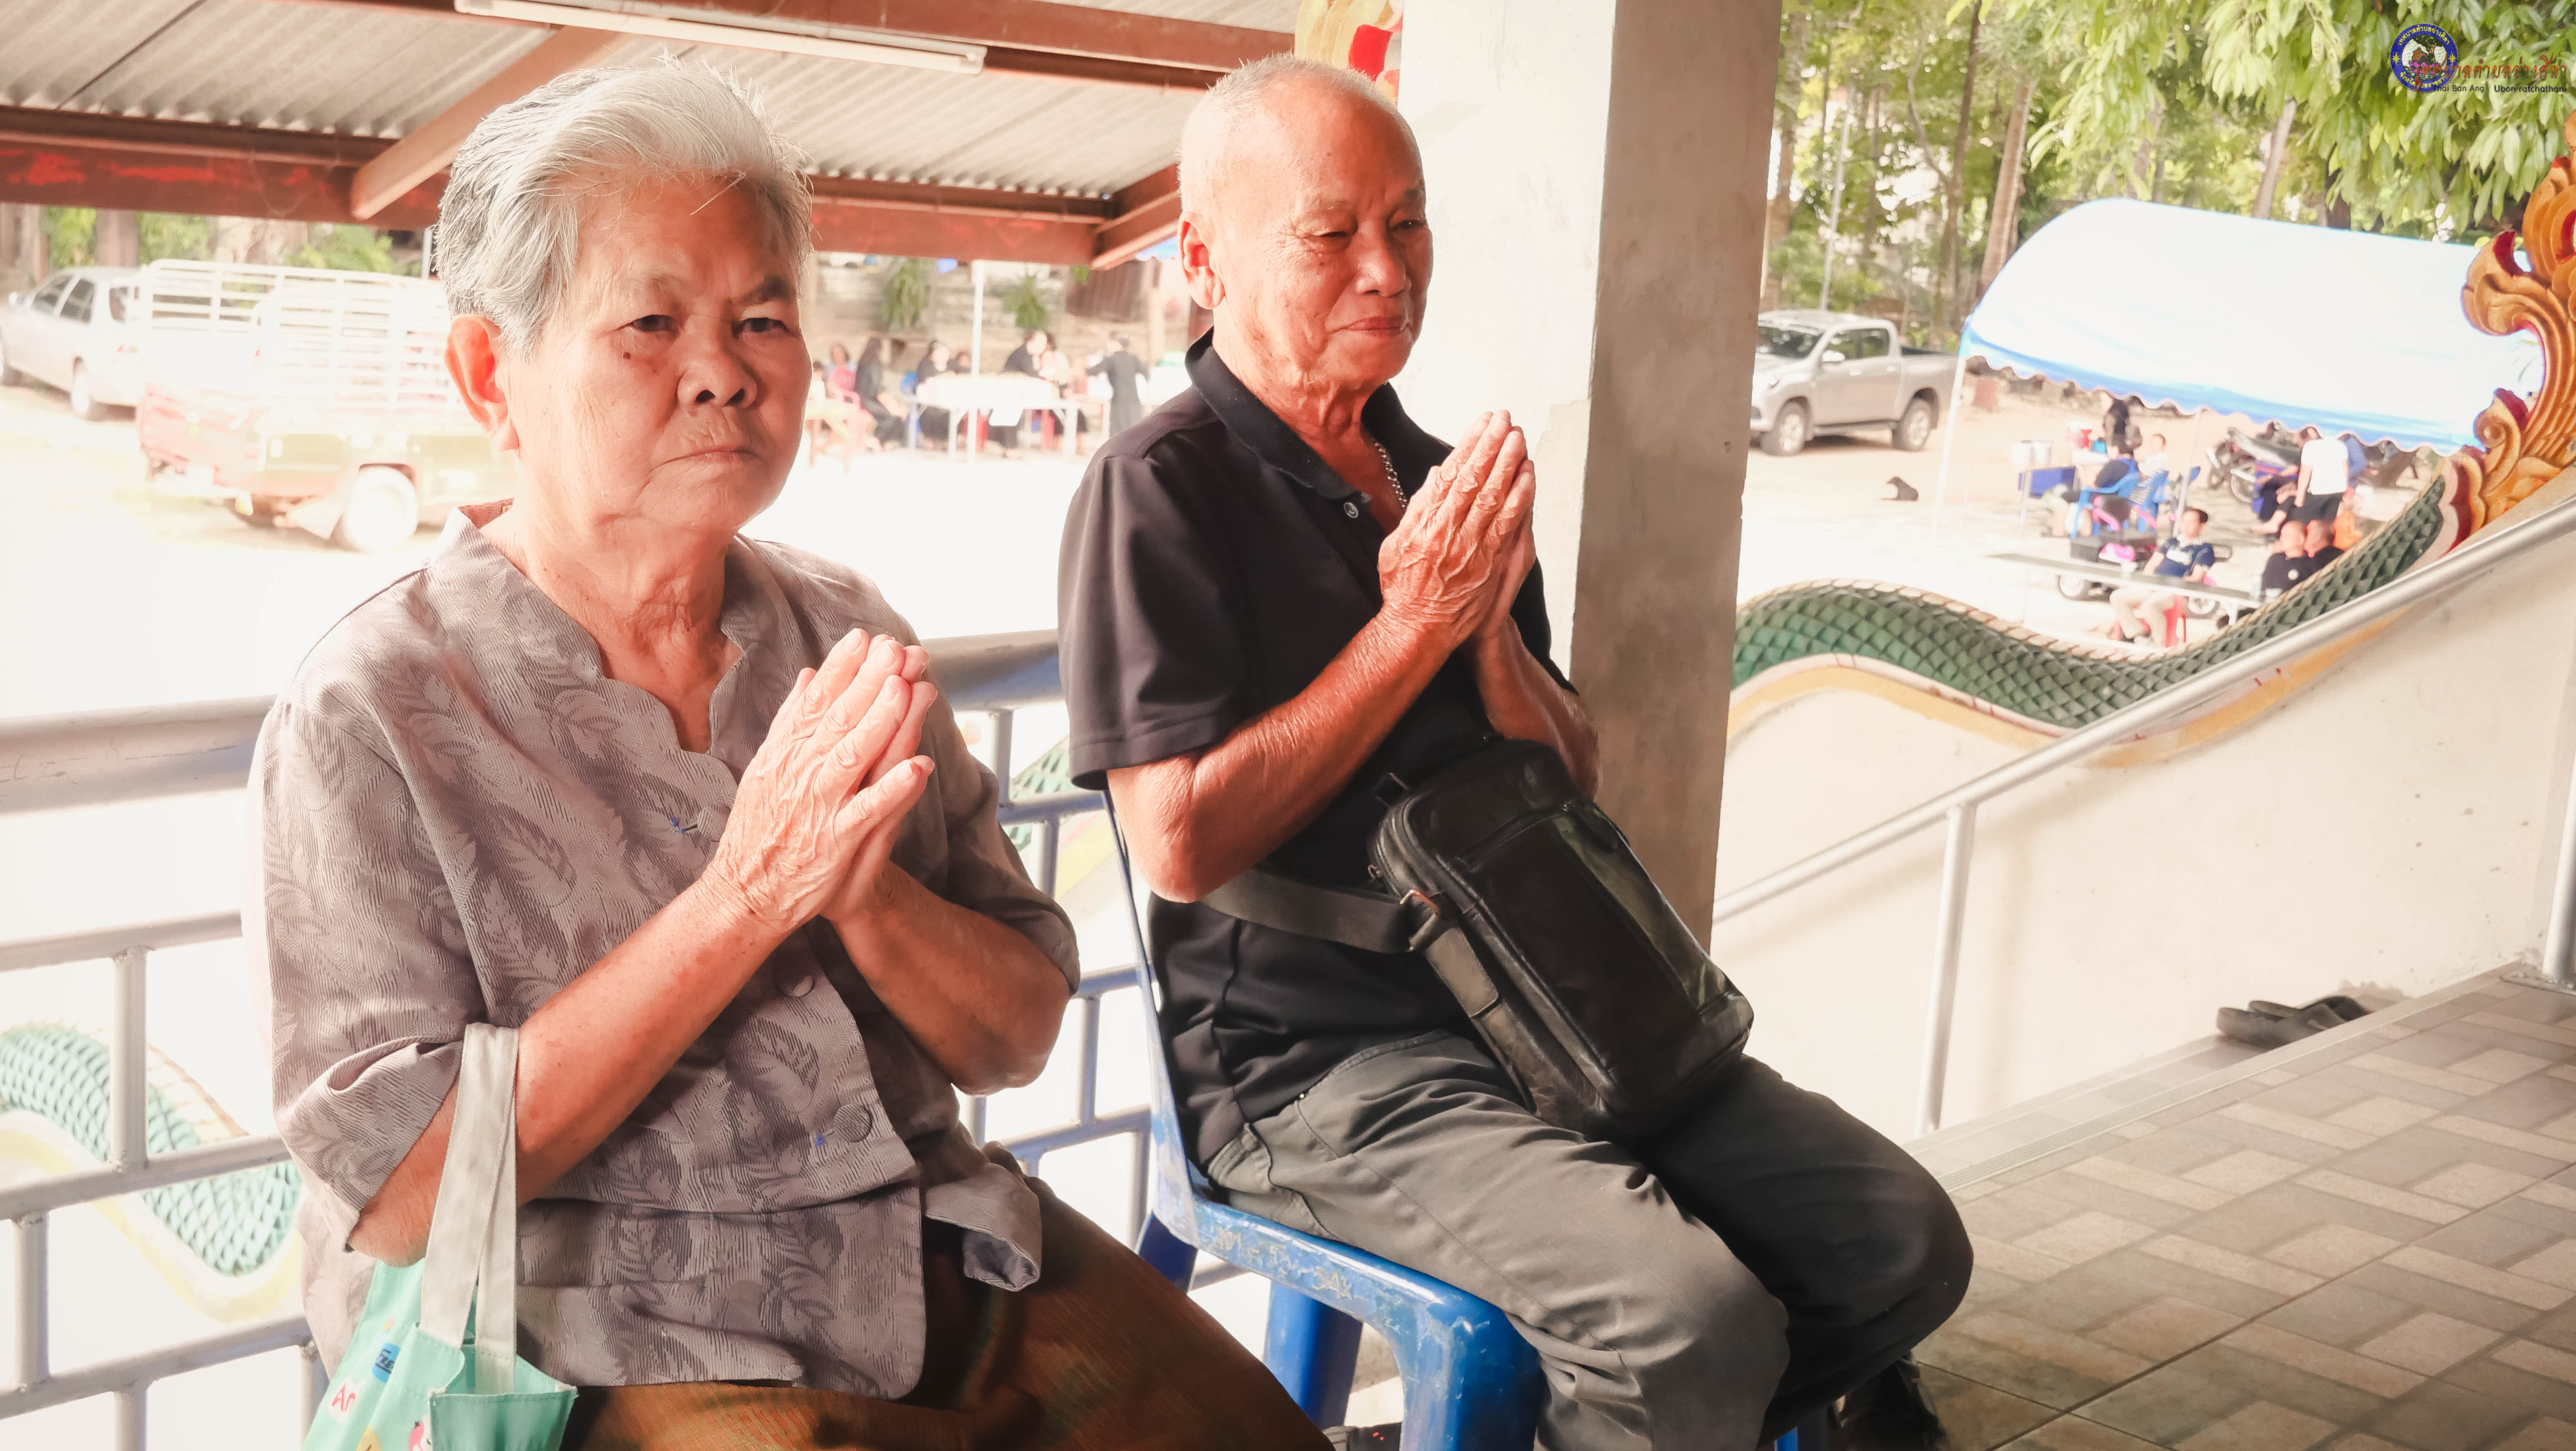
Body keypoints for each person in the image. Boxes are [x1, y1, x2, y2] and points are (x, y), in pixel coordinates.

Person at [254, 62, 1324, 1451]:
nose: (723, 370)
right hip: (608, 1321)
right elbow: (405, 1191)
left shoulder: (841, 633)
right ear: (488, 376)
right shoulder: (373, 710)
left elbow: (1013, 1034)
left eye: (762, 319)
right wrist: (747, 895)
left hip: (938, 1254)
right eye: (650, 324)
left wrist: (864, 895)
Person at [1056, 55, 1968, 1451]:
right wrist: (1408, 629)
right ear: (1203, 259)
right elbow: (1176, 841)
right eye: (1330, 234)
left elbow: (1568, 769)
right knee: (1684, 1322)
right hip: (1318, 1065)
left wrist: (1486, 640)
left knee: (1897, 1242)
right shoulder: (1156, 492)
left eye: (1407, 224)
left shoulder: (1434, 475)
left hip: (1552, 1008)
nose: (1386, 270)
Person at [2103, 506, 2215, 645]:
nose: (2186, 526)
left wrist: (2171, 585)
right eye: (2184, 521)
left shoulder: (2205, 549)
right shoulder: (2171, 542)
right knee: (2117, 597)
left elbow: (2196, 578)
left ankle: (2160, 642)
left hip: (2175, 593)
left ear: (2202, 526)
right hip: (2153, 587)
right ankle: (2138, 635)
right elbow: (2152, 565)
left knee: (2150, 606)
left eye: (2191, 522)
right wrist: (2150, 582)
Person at [1086, 332, 1150, 438]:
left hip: (1119, 402)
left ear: (1116, 343)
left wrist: (1080, 369)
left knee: (1118, 436)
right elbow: (1147, 374)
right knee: (1135, 434)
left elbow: (1093, 371)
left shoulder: (1111, 360)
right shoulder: (1133, 358)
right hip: (1134, 402)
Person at [2291, 422, 2350, 526]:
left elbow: (2305, 474)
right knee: (2326, 524)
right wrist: (2345, 490)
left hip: (2319, 490)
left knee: (2302, 522)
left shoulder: (2310, 447)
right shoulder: (2340, 445)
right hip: (2338, 491)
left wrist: (2300, 496)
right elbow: (2345, 469)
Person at [854, 335, 905, 448]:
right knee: (890, 416)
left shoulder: (864, 361)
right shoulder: (873, 365)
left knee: (894, 413)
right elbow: (877, 391)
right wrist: (892, 406)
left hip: (863, 398)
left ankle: (884, 442)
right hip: (868, 400)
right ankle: (876, 439)